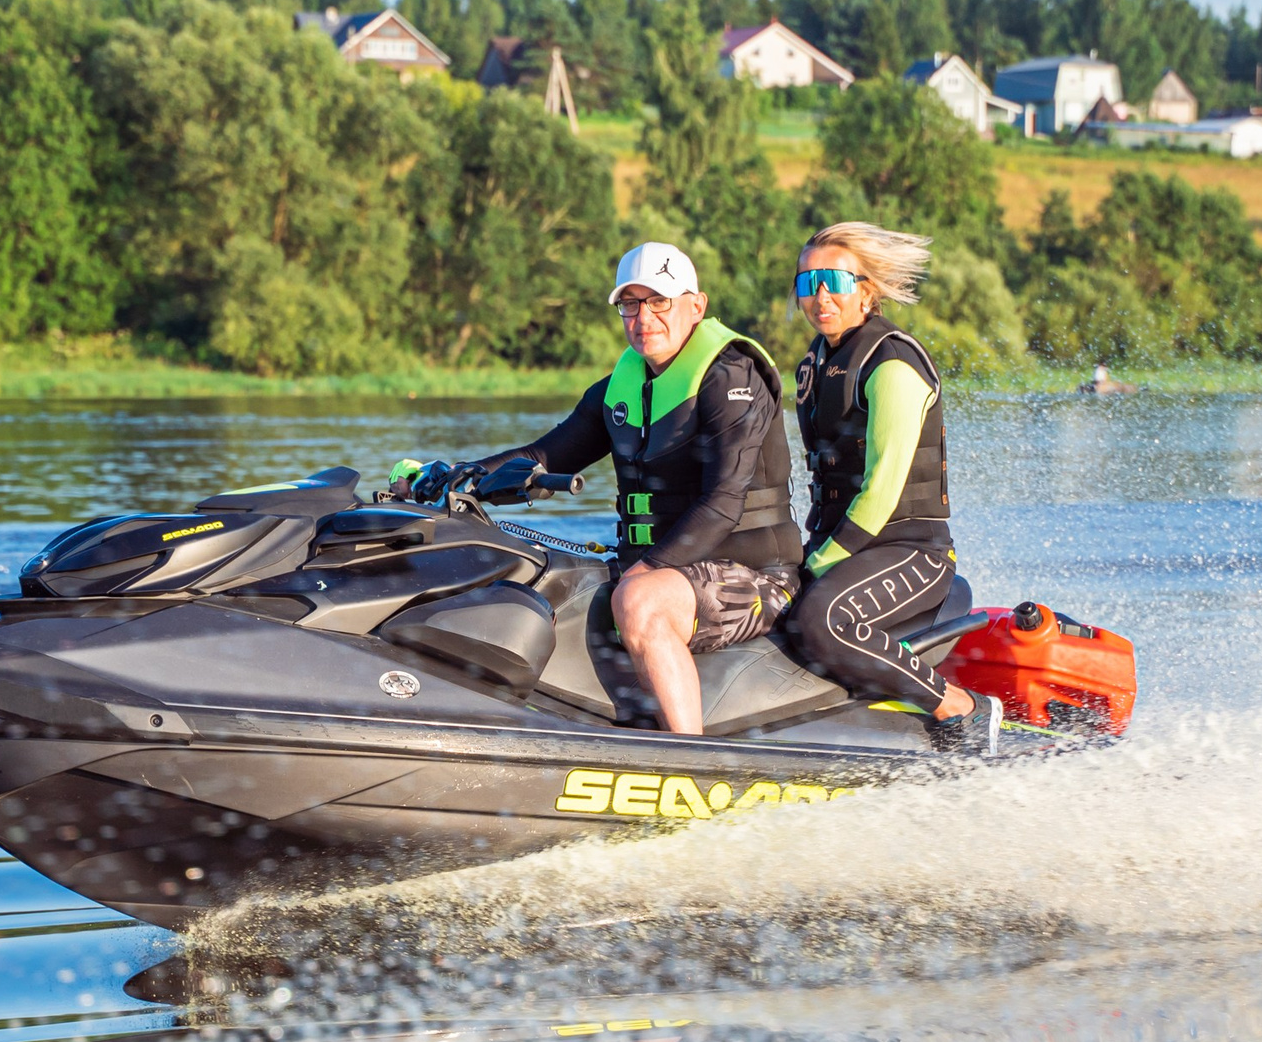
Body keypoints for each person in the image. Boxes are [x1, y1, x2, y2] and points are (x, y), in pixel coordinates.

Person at [406, 242, 801, 735]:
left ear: (696, 306)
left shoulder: (732, 378)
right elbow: (544, 456)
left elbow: (723, 503)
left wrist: (644, 568)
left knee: (638, 601)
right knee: (532, 577)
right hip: (662, 568)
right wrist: (459, 477)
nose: (643, 317)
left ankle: (692, 759)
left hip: (758, 577)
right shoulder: (619, 388)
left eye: (659, 301)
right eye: (629, 304)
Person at [788, 222, 997, 753]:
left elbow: (882, 490)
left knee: (822, 619)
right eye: (807, 283)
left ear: (867, 289)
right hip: (843, 546)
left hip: (910, 550)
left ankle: (959, 707)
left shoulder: (892, 361)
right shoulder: (816, 365)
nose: (820, 295)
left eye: (833, 279)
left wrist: (818, 561)